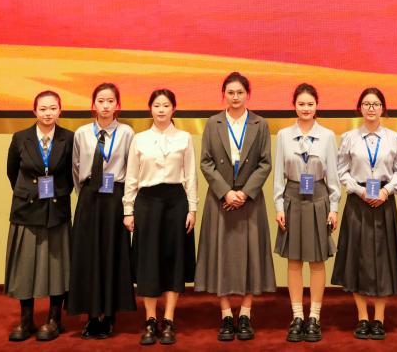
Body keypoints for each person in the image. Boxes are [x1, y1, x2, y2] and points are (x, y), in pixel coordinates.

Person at [195, 72, 276, 341]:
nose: (235, 97)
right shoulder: (213, 123)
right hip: (221, 199)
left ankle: (245, 314)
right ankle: (226, 315)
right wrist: (226, 192)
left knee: (251, 256)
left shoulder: (260, 124)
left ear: (247, 95)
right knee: (221, 255)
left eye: (240, 92)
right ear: (224, 95)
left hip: (249, 199)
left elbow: (265, 163)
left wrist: (245, 193)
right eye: (230, 92)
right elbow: (206, 162)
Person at [123, 89, 197, 346]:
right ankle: (150, 320)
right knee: (149, 260)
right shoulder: (139, 139)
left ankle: (169, 320)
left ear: (173, 109)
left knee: (173, 260)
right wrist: (128, 210)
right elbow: (132, 177)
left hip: (176, 202)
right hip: (147, 202)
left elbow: (191, 176)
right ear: (150, 109)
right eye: (157, 105)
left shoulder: (184, 138)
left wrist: (192, 209)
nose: (161, 110)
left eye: (166, 105)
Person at [332, 87, 397, 340]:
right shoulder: (349, 138)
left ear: (383, 108)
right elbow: (341, 171)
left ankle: (379, 319)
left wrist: (386, 191)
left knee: (383, 261)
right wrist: (360, 191)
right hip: (358, 201)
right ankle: (363, 317)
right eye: (366, 104)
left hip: (384, 201)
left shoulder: (395, 138)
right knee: (357, 260)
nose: (371, 108)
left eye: (375, 104)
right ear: (360, 108)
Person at [4, 90, 74, 342]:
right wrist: (29, 193)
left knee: (57, 267)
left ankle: (54, 319)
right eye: (43, 109)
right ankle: (26, 320)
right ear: (34, 111)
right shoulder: (20, 138)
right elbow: (12, 172)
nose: (48, 113)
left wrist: (57, 192)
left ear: (60, 110)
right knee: (25, 267)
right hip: (26, 210)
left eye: (53, 108)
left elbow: (71, 174)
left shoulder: (69, 138)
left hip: (56, 210)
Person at [68, 83, 136, 338]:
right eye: (101, 101)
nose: (105, 106)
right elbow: (76, 168)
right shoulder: (82, 133)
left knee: (111, 254)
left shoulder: (127, 133)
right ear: (93, 104)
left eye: (110, 101)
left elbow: (132, 169)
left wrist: (128, 204)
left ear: (118, 105)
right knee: (87, 255)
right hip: (89, 198)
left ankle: (108, 315)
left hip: (115, 198)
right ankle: (90, 315)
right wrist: (86, 193)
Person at [274, 83, 340, 343]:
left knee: (317, 261)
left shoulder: (328, 136)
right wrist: (279, 206)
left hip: (318, 198)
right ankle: (297, 315)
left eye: (310, 104)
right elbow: (278, 176)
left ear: (317, 106)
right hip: (291, 198)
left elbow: (333, 176)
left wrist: (334, 208)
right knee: (293, 261)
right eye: (301, 104)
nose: (305, 108)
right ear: (294, 106)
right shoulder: (283, 135)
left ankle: (314, 316)